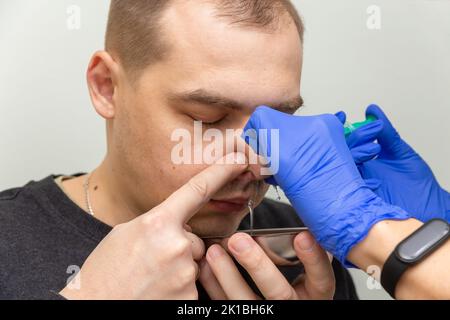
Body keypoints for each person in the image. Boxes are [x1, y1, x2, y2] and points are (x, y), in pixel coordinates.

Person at [0, 0, 357, 300]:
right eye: (208, 118)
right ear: (107, 87)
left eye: (279, 123)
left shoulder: (306, 254)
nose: (256, 161)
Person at [244, 105, 450, 300]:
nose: (259, 162)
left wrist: (427, 235)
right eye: (212, 118)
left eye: (283, 120)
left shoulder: (310, 243)